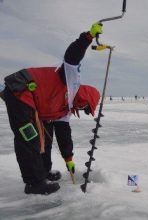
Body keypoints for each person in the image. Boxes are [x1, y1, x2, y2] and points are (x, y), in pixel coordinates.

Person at [2, 22, 102, 195]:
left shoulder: (66, 109)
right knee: (30, 136)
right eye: (86, 107)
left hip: (32, 100)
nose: (83, 109)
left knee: (46, 134)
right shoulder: (73, 82)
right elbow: (71, 57)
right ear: (85, 97)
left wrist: (68, 158)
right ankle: (34, 183)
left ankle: (44, 171)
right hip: (21, 90)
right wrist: (88, 37)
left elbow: (63, 133)